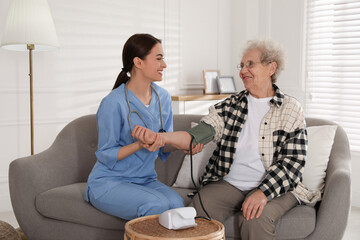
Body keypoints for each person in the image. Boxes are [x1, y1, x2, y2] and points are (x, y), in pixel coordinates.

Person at [133, 39, 317, 239]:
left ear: (271, 67)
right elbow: (199, 134)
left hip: (277, 188)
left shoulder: (290, 109)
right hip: (231, 184)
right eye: (241, 65)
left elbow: (292, 164)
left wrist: (262, 192)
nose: (242, 70)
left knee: (255, 218)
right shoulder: (231, 105)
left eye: (250, 64)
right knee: (199, 215)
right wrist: (161, 137)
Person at [84, 33, 187, 220]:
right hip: (109, 182)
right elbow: (106, 154)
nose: (164, 65)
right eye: (158, 58)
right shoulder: (113, 103)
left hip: (145, 180)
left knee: (177, 206)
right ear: (138, 62)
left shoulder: (163, 98)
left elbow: (164, 145)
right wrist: (139, 144)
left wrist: (182, 144)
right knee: (157, 205)